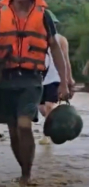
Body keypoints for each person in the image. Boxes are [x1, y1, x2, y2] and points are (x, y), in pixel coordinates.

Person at [0, 0, 70, 187]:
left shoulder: (44, 15)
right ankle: (24, 170)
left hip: (31, 78)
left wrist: (65, 80)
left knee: (23, 125)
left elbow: (55, 49)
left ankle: (26, 176)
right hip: (4, 78)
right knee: (12, 130)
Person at [38, 12, 74, 145]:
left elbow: (66, 60)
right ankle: (53, 122)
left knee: (48, 106)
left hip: (55, 77)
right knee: (41, 108)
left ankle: (46, 135)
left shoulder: (61, 40)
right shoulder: (37, 37)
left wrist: (68, 79)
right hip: (40, 77)